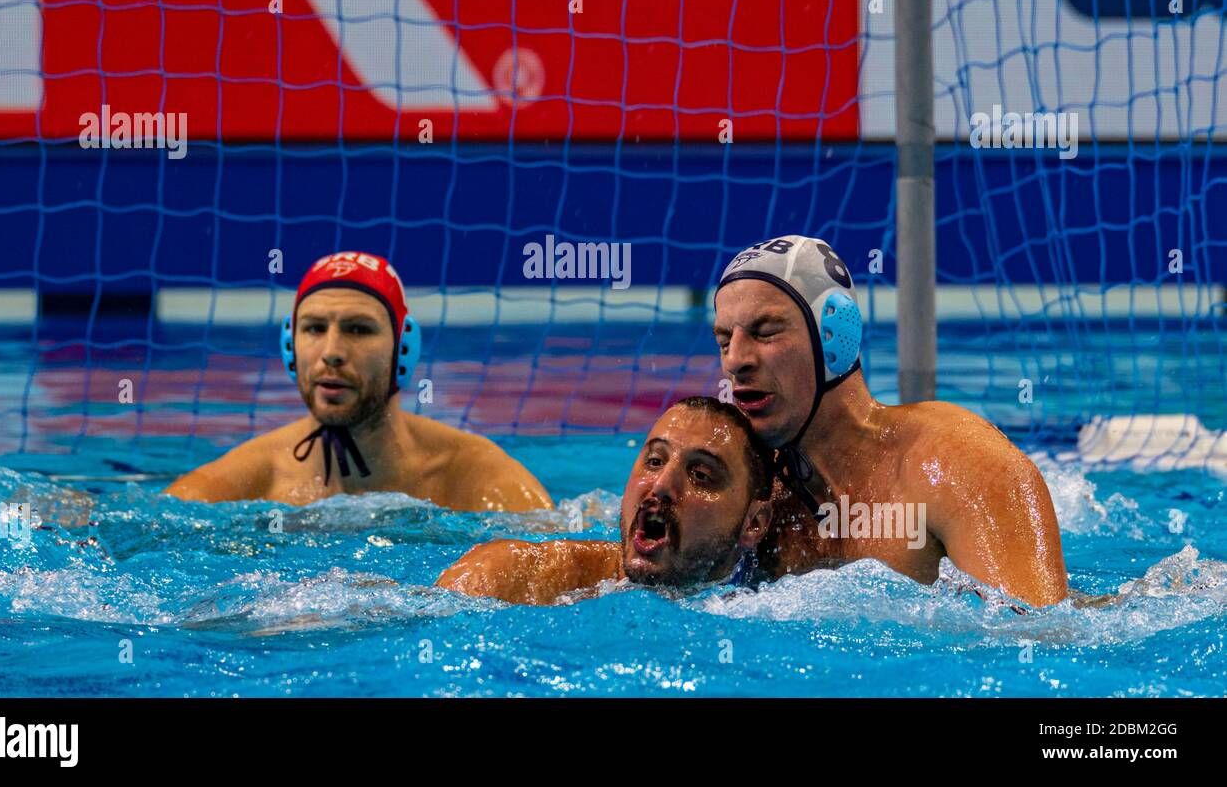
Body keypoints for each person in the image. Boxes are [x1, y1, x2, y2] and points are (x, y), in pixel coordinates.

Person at [712, 234, 1068, 607]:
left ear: (835, 335)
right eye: (723, 340)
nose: (735, 360)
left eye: (765, 332)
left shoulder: (961, 464)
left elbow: (1037, 640)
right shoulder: (741, 484)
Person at [166, 251, 552, 512]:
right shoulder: (245, 480)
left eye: (358, 329)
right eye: (314, 328)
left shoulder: (474, 475)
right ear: (290, 345)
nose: (332, 351)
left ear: (403, 347)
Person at [436, 396, 774, 605]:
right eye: (655, 461)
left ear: (754, 523)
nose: (661, 485)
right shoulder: (511, 577)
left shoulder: (780, 606)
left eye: (700, 475)